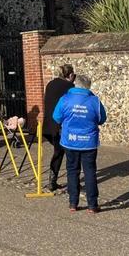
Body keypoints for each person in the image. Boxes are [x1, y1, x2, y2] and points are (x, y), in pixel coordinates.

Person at [52, 75, 107, 213]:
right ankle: (92, 205)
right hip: (88, 142)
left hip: (70, 141)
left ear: (75, 85)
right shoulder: (94, 101)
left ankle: (73, 203)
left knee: (72, 171)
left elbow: (56, 117)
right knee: (90, 172)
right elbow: (102, 119)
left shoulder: (65, 99)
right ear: (88, 86)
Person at [42, 64, 76, 192]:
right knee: (69, 153)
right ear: (70, 75)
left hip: (48, 125)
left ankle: (52, 181)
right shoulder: (69, 87)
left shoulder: (50, 84)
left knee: (59, 151)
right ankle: (72, 183)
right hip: (60, 126)